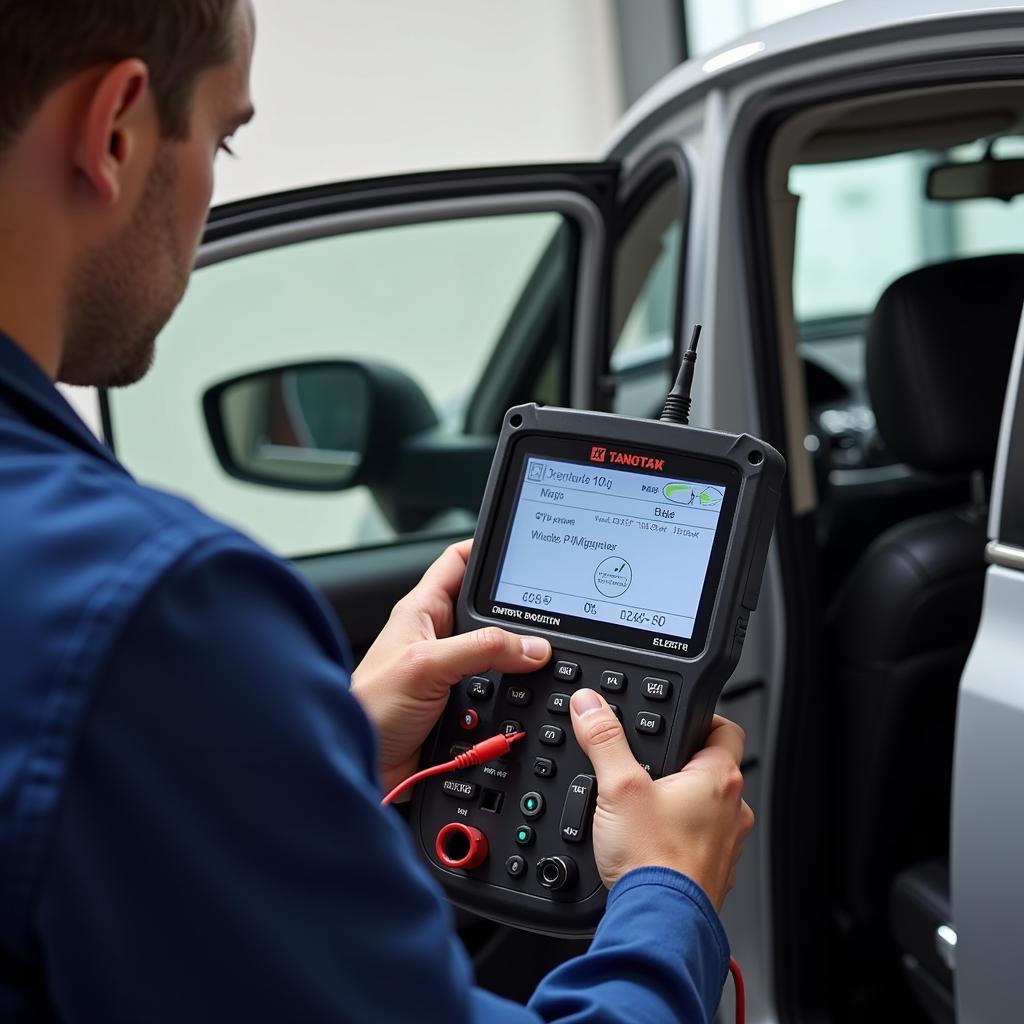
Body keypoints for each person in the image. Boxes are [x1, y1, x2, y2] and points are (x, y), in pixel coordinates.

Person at [0, 2, 754, 1020]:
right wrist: (668, 895)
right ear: (117, 131)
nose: (211, 190)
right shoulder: (143, 608)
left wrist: (318, 764)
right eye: (223, 137)